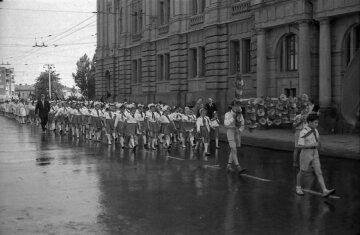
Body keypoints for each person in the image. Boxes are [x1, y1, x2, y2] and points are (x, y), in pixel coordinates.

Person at [295, 113, 336, 197]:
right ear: (309, 122)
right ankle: (298, 187)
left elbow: (318, 139)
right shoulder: (303, 132)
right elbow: (299, 146)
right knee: (302, 171)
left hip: (315, 153)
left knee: (319, 172)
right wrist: (312, 145)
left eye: (317, 123)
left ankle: (325, 190)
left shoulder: (316, 130)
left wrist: (321, 146)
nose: (316, 125)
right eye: (315, 123)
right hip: (306, 153)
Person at [224, 99, 246, 174]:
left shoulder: (240, 115)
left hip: (237, 133)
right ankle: (238, 167)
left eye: (238, 106)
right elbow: (226, 124)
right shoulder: (228, 114)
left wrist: (240, 130)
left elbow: (243, 124)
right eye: (236, 106)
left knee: (233, 150)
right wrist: (233, 117)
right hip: (230, 132)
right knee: (234, 149)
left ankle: (228, 166)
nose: (237, 107)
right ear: (232, 107)